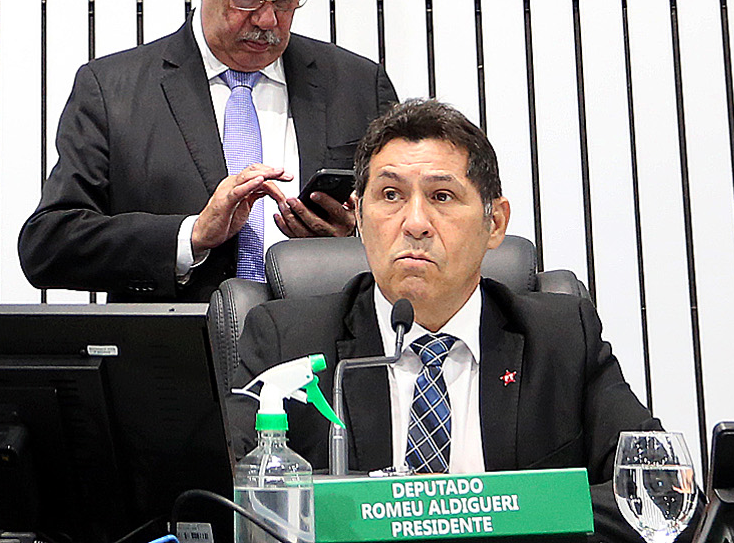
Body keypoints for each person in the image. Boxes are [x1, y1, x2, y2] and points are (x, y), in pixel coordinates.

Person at [233, 99, 659, 539]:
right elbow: (229, 506)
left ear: (495, 223)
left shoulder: (563, 338)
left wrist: (495, 516)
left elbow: (655, 492)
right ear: (358, 214)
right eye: (391, 195)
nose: (415, 223)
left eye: (442, 196)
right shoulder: (286, 341)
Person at [19, 0, 398, 301]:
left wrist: (354, 239)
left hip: (325, 334)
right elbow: (49, 245)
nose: (267, 19)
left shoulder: (358, 86)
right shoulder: (112, 91)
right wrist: (192, 236)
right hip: (180, 338)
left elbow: (415, 223)